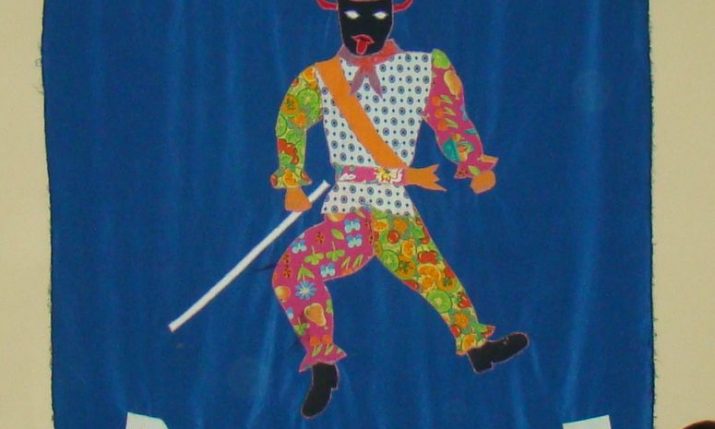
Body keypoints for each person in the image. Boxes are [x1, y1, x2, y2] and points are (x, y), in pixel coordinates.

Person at [270, 0, 528, 418]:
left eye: (376, 14)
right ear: (338, 16)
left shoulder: (424, 69)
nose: (364, 25)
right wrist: (292, 179)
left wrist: (473, 161)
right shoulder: (320, 78)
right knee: (292, 271)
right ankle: (322, 366)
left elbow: (449, 119)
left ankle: (479, 349)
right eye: (352, 15)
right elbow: (291, 120)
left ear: (392, 15)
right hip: (349, 210)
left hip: (393, 209)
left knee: (435, 277)